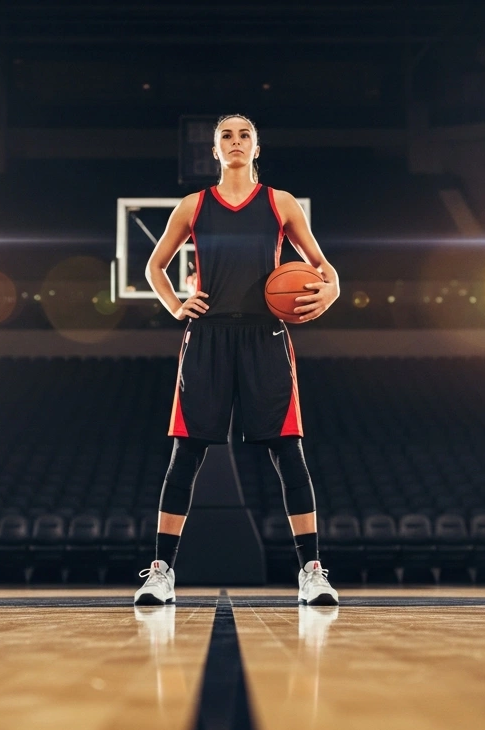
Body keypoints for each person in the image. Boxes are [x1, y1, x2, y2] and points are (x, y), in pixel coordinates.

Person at [134, 114, 340, 606]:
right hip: (206, 336)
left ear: (257, 147)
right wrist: (175, 305)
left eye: (243, 134)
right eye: (225, 135)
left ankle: (311, 572)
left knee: (288, 451)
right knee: (187, 453)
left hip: (265, 335)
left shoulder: (280, 203)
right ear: (214, 149)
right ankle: (161, 573)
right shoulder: (193, 205)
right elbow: (154, 264)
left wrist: (331, 290)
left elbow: (322, 265)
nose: (235, 141)